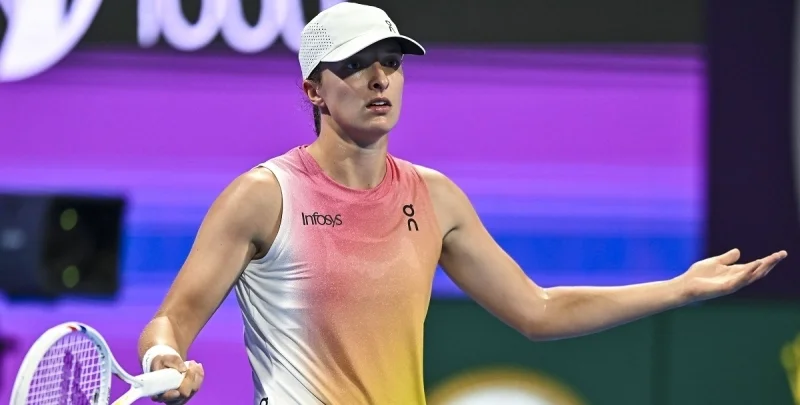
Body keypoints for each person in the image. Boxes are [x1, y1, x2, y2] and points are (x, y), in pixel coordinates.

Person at [136, 2, 788, 404]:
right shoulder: (263, 196)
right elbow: (171, 318)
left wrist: (678, 288)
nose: (379, 78)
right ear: (313, 90)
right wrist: (165, 360)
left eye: (391, 62)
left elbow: (537, 309)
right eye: (356, 65)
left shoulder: (435, 197)